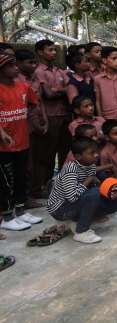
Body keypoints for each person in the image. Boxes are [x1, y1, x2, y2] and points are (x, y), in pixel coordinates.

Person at [0, 54, 44, 231]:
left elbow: (34, 104)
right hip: (3, 146)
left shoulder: (23, 87)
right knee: (6, 182)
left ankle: (20, 211)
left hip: (22, 140)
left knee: (21, 177)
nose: (15, 68)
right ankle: (6, 216)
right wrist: (2, 132)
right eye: (10, 66)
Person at [47, 137, 117, 244]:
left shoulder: (90, 165)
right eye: (92, 153)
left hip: (74, 202)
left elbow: (93, 181)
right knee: (94, 193)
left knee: (113, 203)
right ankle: (81, 232)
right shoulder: (70, 169)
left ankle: (75, 221)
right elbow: (72, 197)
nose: (96, 155)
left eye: (96, 151)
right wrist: (89, 179)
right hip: (59, 209)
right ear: (78, 156)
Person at [30, 39, 71, 198]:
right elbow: (48, 94)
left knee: (64, 152)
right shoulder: (38, 71)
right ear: (40, 52)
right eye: (50, 50)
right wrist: (62, 90)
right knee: (47, 154)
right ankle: (43, 186)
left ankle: (63, 184)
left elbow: (69, 89)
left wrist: (58, 90)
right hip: (50, 116)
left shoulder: (59, 70)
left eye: (55, 50)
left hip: (64, 115)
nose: (54, 53)